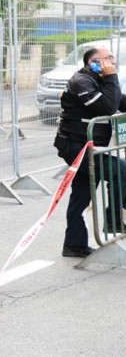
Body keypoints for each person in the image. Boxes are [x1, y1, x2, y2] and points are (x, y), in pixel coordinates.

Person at [54, 46, 126, 258]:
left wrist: (110, 80)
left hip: (92, 147)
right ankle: (114, 223)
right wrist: (112, 77)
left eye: (112, 58)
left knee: (81, 194)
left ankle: (74, 245)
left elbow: (119, 101)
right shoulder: (81, 81)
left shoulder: (100, 81)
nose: (111, 62)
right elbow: (105, 108)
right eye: (107, 59)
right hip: (76, 147)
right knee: (120, 169)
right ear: (92, 62)